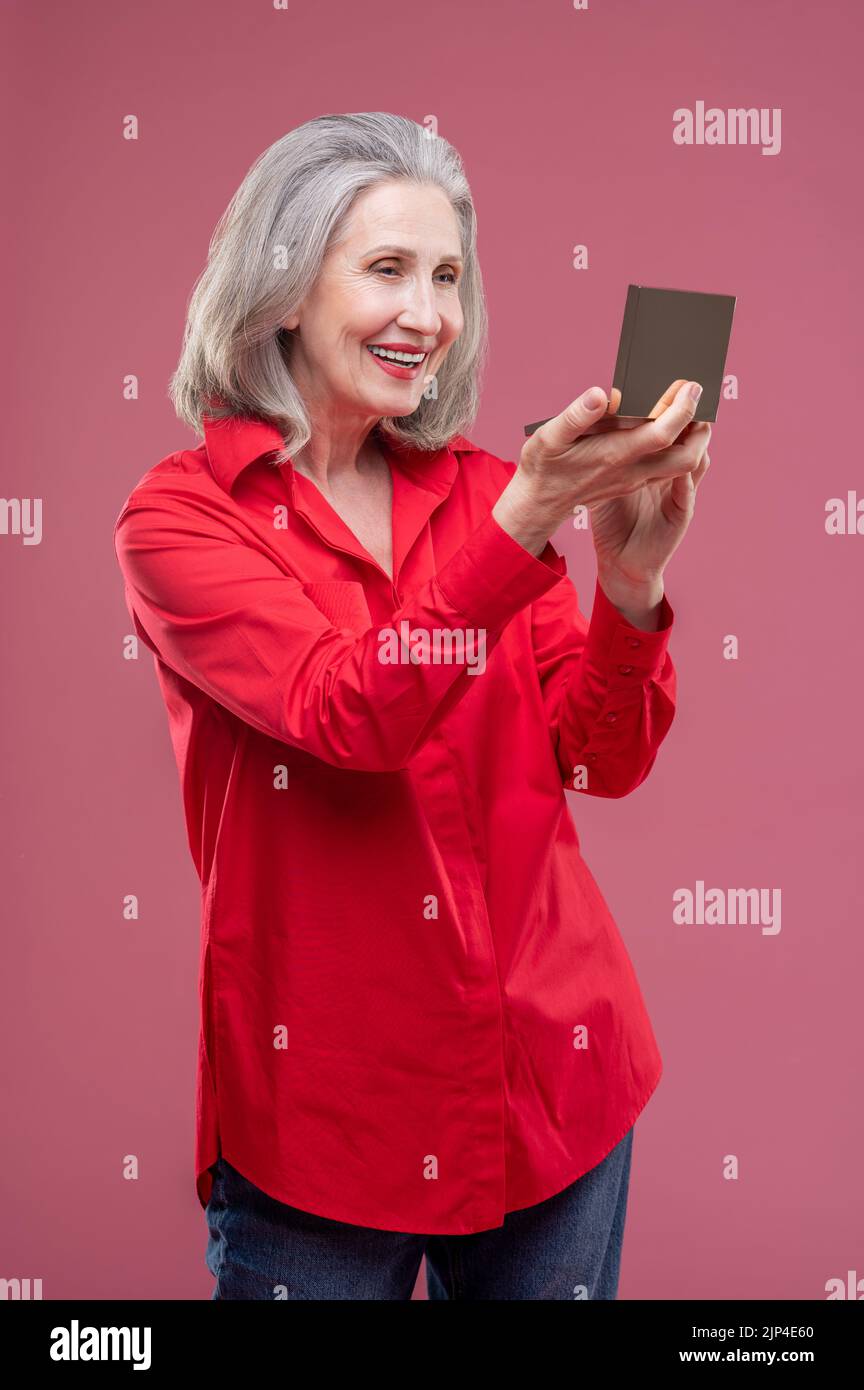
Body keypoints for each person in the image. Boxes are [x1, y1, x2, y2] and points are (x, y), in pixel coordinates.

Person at [112, 112, 710, 1301]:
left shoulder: (486, 493)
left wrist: (630, 589)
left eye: (446, 277)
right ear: (282, 287)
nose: (428, 313)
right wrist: (520, 529)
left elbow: (599, 756)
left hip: (549, 1082)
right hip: (324, 1123)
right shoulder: (180, 522)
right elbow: (350, 715)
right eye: (386, 269)